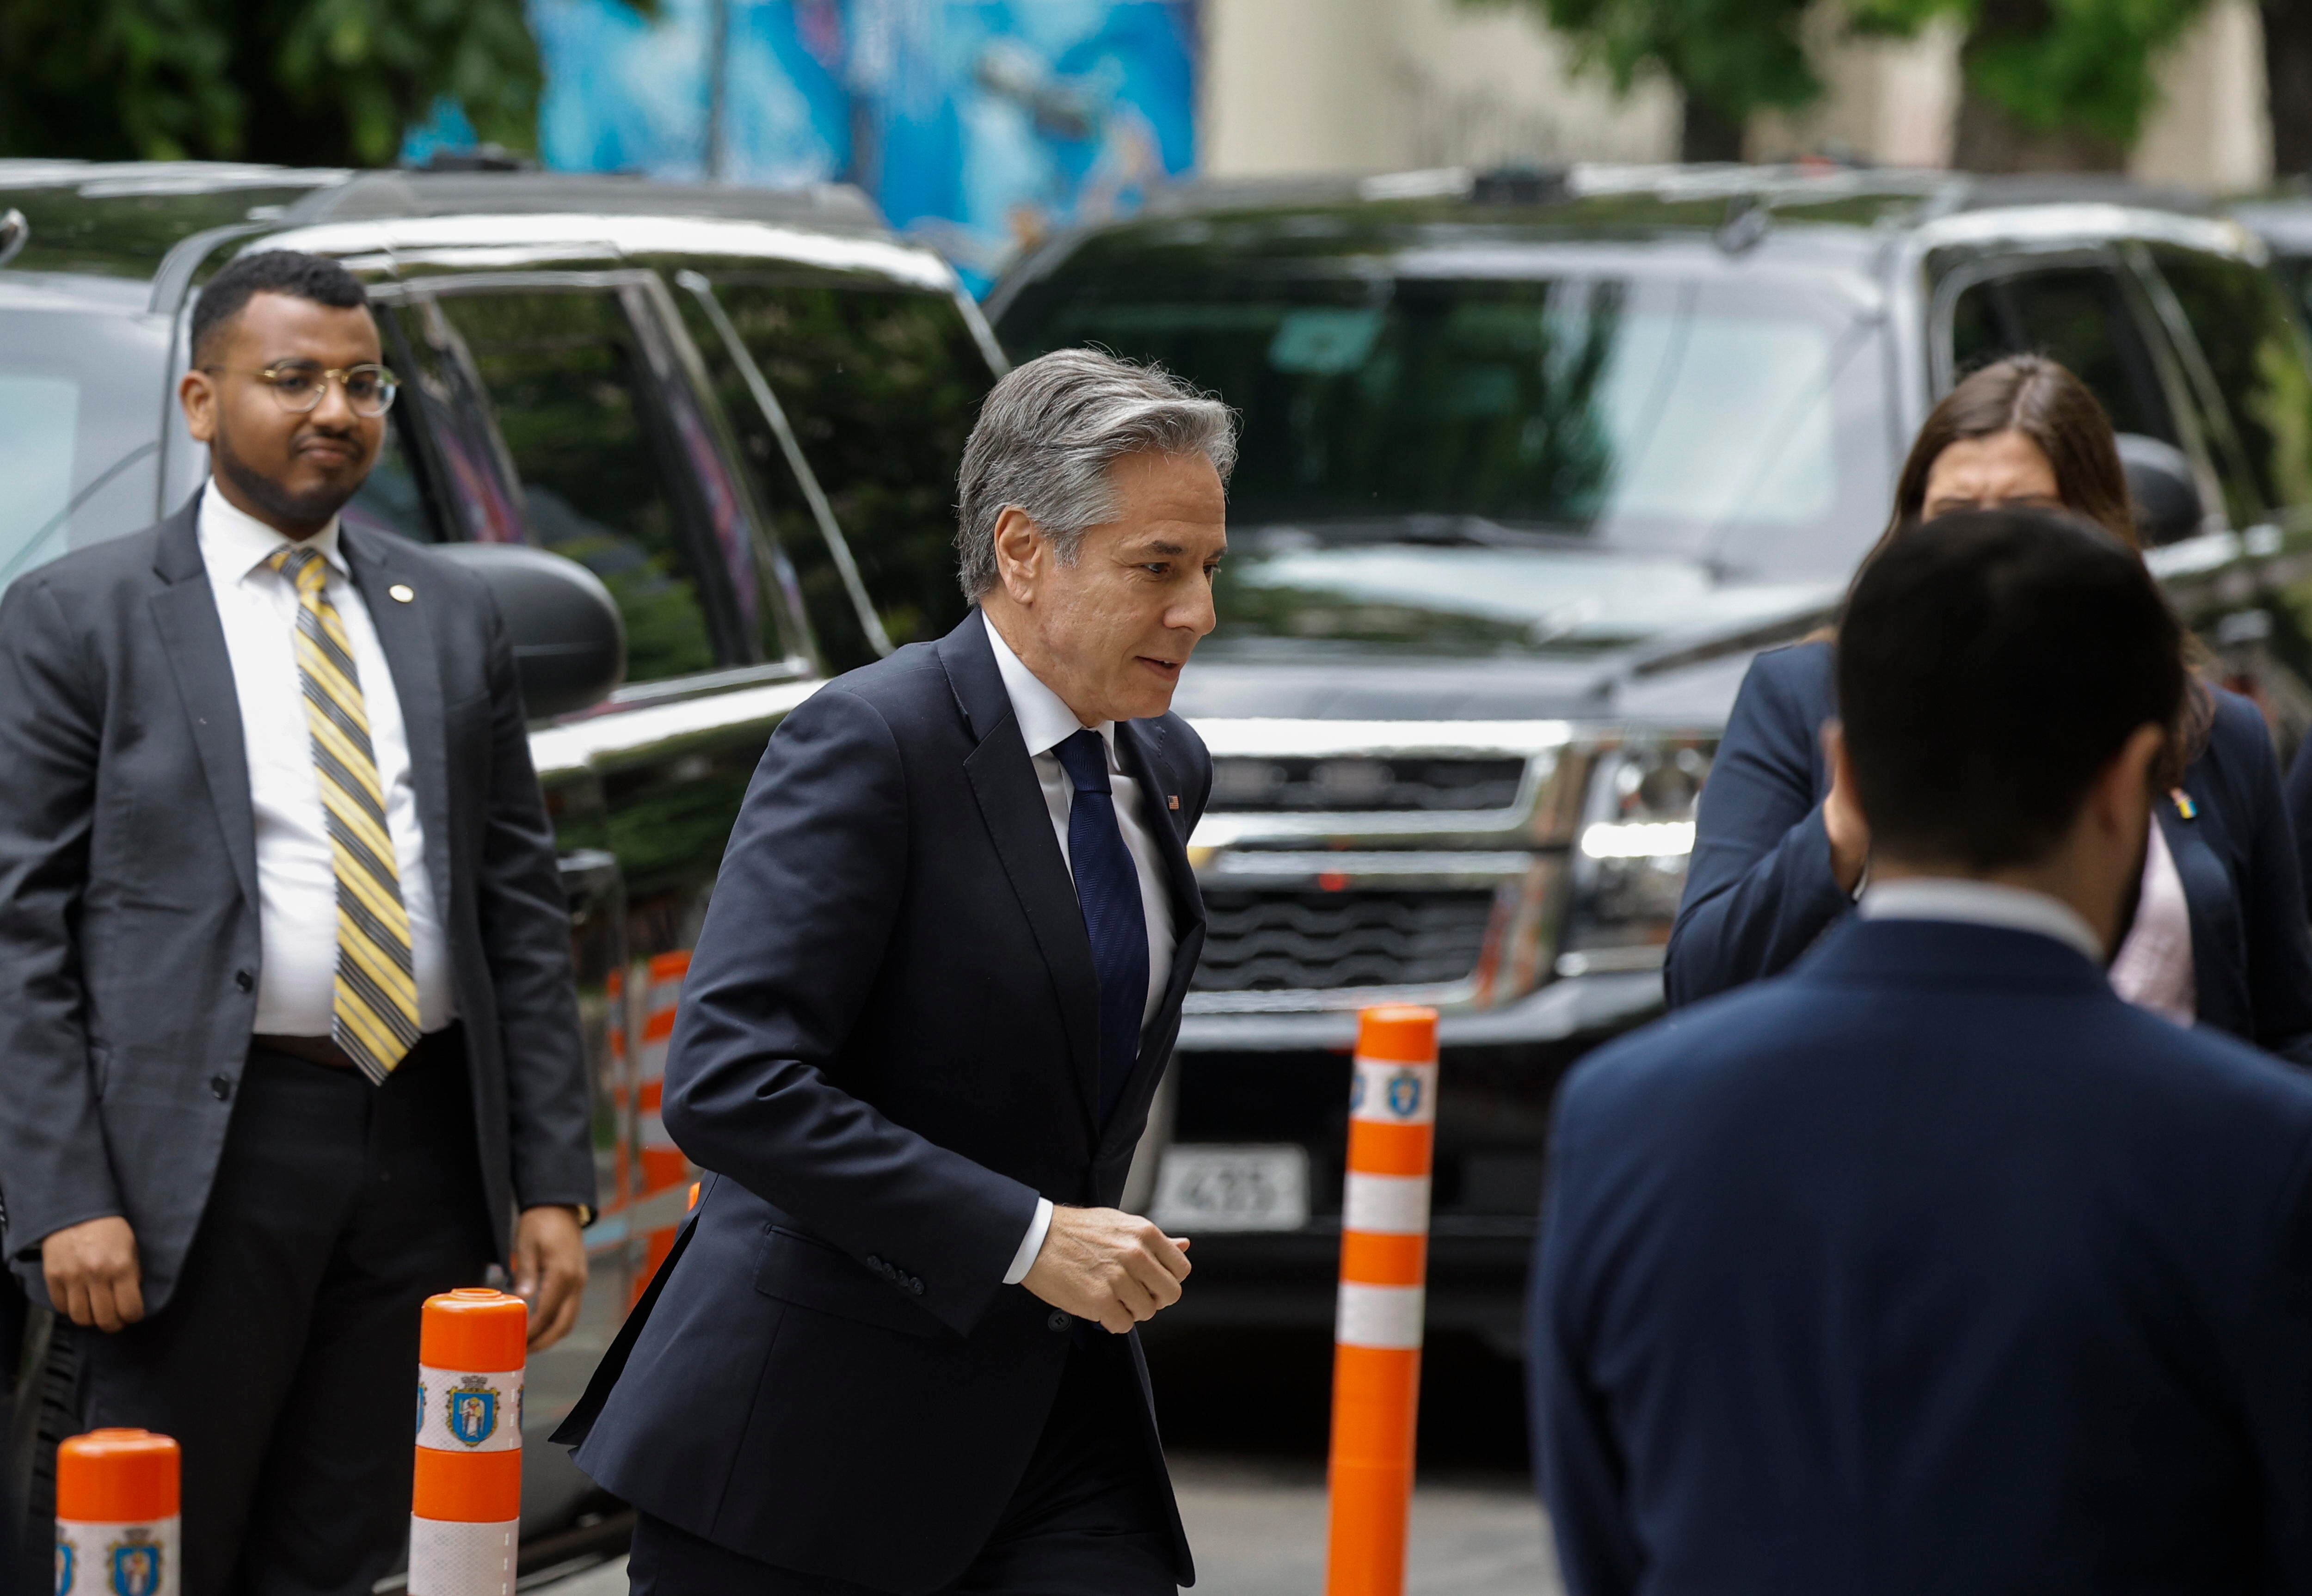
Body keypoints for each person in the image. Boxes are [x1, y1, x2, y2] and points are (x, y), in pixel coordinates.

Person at [553, 349, 1232, 1595]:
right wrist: (1028, 1236)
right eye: (1157, 567)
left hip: (1057, 1429)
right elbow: (730, 1081)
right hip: (812, 1443)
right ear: (1023, 552)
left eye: (1207, 568)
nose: (1197, 611)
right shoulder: (872, 741)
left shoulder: (1165, 765)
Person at [1534, 507, 2312, 1592]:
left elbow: (1602, 1544)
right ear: (2125, 783)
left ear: (1844, 775)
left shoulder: (1623, 1122)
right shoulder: (2256, 1152)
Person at [0, 251, 596, 1596]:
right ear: (202, 400)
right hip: (189, 1170)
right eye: (293, 378)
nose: (335, 408)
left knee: (350, 1553)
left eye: (362, 382)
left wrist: (551, 1179)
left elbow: (514, 901)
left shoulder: (449, 612)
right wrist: (65, 1195)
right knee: (154, 1544)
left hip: (419, 1149)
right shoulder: (79, 618)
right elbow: (18, 931)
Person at [1666, 355, 2312, 1063]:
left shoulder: (2210, 729)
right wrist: (1842, 830)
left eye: (2026, 514)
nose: (1984, 546)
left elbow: (2287, 1026)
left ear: (2096, 528)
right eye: (1954, 514)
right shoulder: (1807, 697)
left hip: (2168, 1128)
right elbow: (1700, 984)